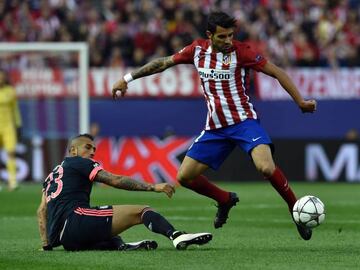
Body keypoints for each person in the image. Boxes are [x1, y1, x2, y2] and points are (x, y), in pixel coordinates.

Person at [112, 11, 317, 240]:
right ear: (210, 35)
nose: (228, 40)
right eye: (222, 37)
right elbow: (162, 63)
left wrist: (300, 101)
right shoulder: (197, 50)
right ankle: (224, 199)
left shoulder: (242, 52)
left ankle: (295, 210)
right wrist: (127, 78)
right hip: (215, 128)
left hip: (244, 122)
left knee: (266, 167)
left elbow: (276, 72)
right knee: (185, 176)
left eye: (231, 35)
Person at [37, 133, 212, 251]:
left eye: (94, 149)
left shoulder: (51, 176)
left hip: (66, 240)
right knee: (142, 211)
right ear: (73, 150)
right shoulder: (79, 162)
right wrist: (153, 187)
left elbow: (42, 211)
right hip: (76, 220)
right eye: (88, 147)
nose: (92, 152)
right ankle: (177, 236)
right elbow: (115, 180)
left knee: (108, 232)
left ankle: (123, 246)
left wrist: (46, 245)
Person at [0, 69, 22, 191]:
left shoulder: (10, 91)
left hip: (8, 127)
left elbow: (15, 109)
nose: (0, 79)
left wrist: (18, 124)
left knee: (11, 153)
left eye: (2, 77)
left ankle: (12, 181)